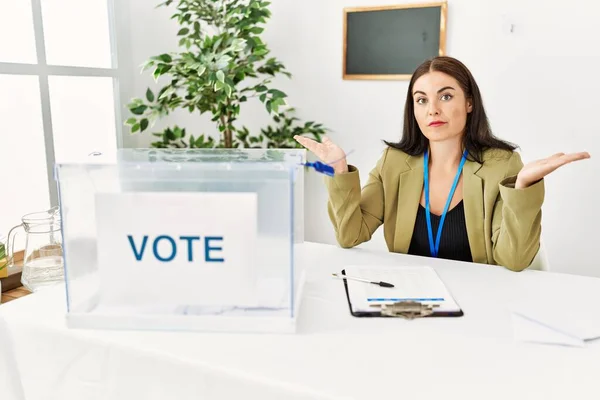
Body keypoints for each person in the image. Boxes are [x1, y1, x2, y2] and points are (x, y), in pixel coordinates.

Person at [294, 56, 590, 272]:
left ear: (469, 103)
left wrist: (524, 185)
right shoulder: (394, 163)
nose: (432, 109)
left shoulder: (502, 164)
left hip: (480, 307)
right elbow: (350, 234)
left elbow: (513, 260)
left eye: (445, 96)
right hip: (411, 302)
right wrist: (339, 170)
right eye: (421, 100)